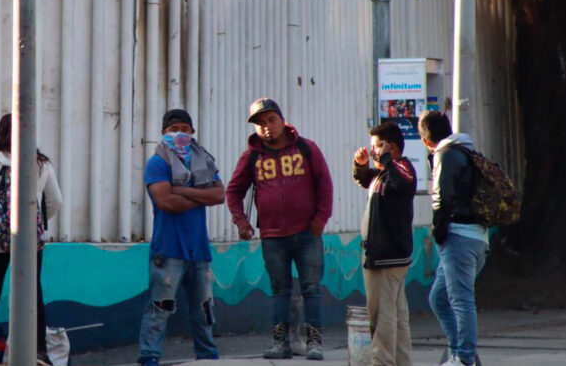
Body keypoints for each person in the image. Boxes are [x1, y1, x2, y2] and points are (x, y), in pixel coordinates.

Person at [226, 97, 333, 361]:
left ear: (282, 121)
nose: (266, 127)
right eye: (259, 124)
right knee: (280, 290)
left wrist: (320, 220)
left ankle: (314, 342)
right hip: (273, 236)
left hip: (308, 233)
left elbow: (325, 185)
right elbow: (233, 191)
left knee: (311, 288)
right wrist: (241, 221)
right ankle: (280, 343)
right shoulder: (251, 157)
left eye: (271, 120)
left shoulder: (307, 149)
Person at [0, 114, 63, 366]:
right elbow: (56, 202)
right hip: (30, 242)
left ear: (1, 133)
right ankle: (40, 352)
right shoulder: (40, 164)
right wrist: (38, 223)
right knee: (34, 294)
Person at [137, 109, 226, 366]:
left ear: (192, 133)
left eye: (185, 129)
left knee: (204, 310)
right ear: (164, 133)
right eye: (173, 129)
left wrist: (182, 190)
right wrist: (200, 196)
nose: (179, 134)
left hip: (199, 250)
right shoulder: (157, 163)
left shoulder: (204, 161)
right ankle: (149, 357)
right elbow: (166, 201)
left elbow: (219, 196)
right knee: (159, 309)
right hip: (168, 250)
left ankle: (207, 357)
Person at [418, 111, 487, 366]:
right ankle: (462, 352)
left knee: (460, 299)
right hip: (476, 236)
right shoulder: (464, 150)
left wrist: (438, 232)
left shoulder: (446, 154)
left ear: (425, 139)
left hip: (458, 236)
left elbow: (442, 198)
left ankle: (465, 358)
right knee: (439, 298)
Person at [352, 122, 417, 366]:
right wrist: (360, 166)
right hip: (383, 257)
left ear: (390, 147)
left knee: (382, 318)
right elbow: (366, 179)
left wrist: (388, 159)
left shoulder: (402, 168)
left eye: (377, 146)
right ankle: (401, 361)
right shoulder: (384, 174)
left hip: (387, 258)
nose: (373, 152)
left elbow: (402, 184)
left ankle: (383, 362)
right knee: (397, 317)